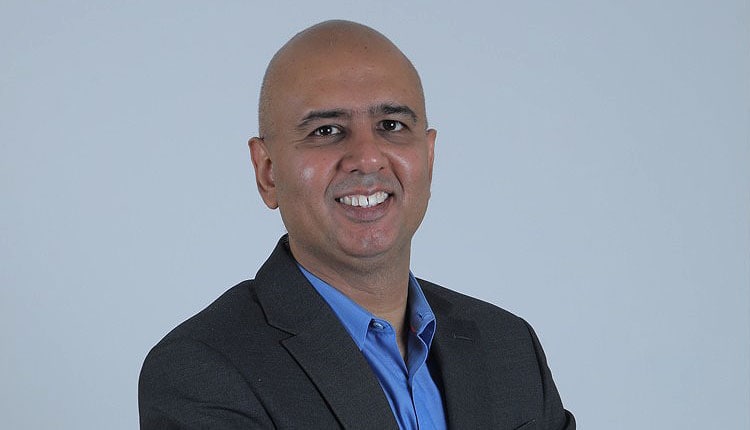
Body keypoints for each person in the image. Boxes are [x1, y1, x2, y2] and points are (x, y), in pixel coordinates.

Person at [138, 20, 575, 430]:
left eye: (391, 125)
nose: (367, 158)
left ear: (428, 157)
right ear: (268, 172)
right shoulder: (201, 371)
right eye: (326, 131)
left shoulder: (509, 347)